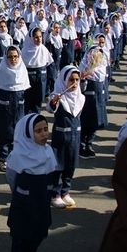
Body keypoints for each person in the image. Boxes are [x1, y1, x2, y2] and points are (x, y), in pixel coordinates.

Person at [6, 113, 57, 252]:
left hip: (41, 206)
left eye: (45, 129)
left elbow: (52, 175)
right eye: (38, 131)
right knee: (20, 243)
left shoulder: (48, 152)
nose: (44, 134)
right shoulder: (17, 155)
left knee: (36, 239)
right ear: (27, 132)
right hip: (23, 208)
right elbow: (11, 177)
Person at [47, 65, 85, 208]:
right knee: (59, 165)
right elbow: (50, 108)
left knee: (70, 165)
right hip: (61, 136)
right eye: (71, 80)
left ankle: (65, 191)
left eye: (77, 80)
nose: (74, 83)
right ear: (64, 80)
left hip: (75, 136)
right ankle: (55, 193)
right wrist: (54, 101)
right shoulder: (58, 96)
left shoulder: (81, 98)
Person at [0, 46, 30, 172]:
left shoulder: (22, 70)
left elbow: (25, 89)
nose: (13, 59)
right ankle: (2, 159)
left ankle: (14, 158)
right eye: (10, 57)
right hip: (4, 105)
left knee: (17, 133)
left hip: (18, 104)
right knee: (4, 133)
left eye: (15, 56)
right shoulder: (2, 70)